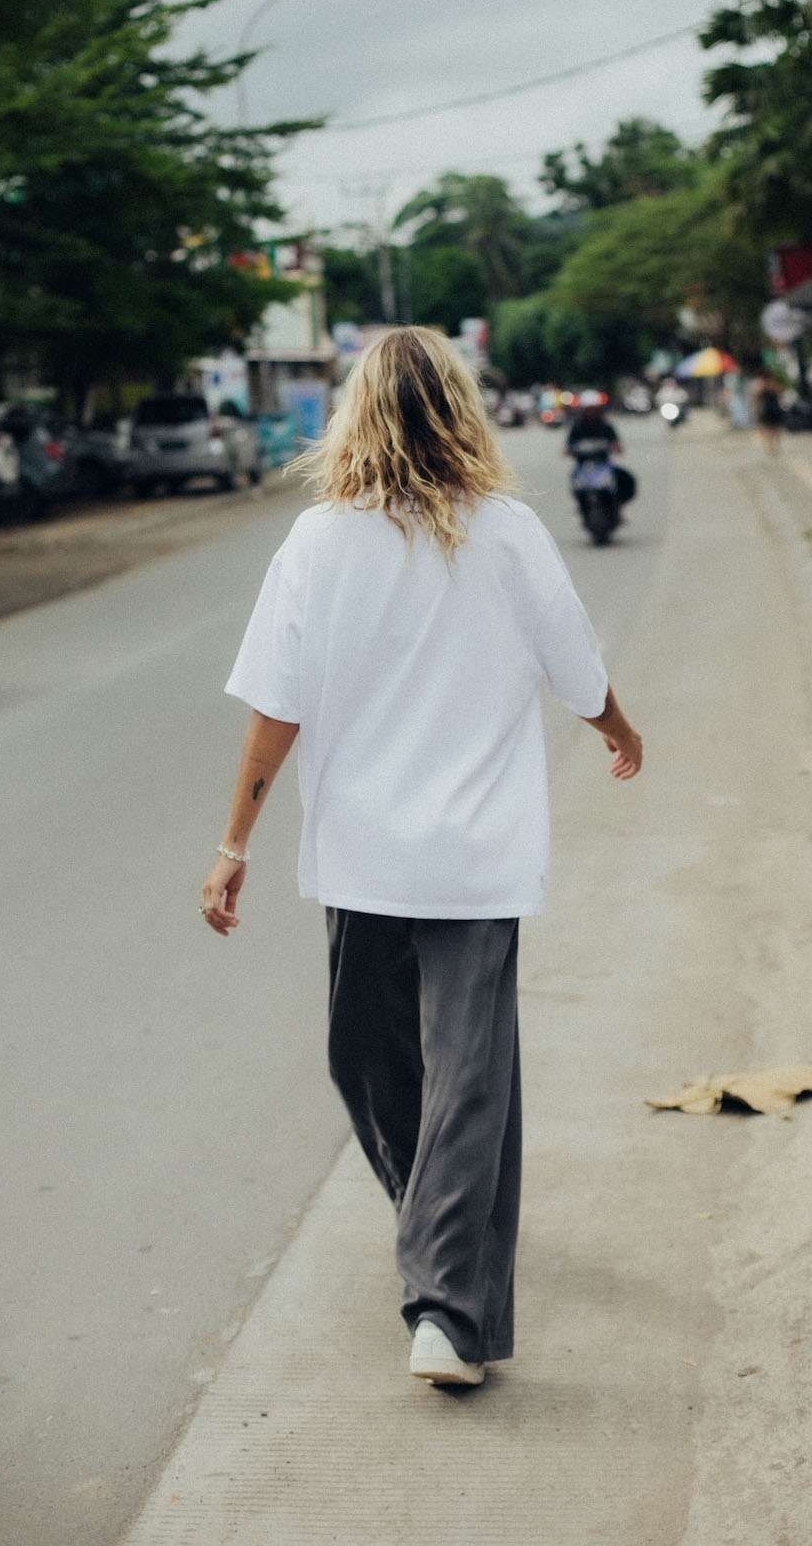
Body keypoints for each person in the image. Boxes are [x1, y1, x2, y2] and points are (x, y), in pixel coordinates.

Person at [201, 327, 642, 1390]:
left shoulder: (505, 532)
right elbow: (280, 705)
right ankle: (446, 1224)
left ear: (356, 411)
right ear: (459, 407)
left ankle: (446, 1303)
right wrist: (235, 840)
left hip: (462, 858)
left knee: (464, 1070)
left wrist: (613, 723)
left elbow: (574, 666)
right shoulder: (320, 541)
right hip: (375, 855)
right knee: (370, 1060)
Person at [756, 375, 785, 454]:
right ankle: (770, 445)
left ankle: (775, 444)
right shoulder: (760, 385)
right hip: (766, 408)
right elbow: (756, 396)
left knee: (775, 426)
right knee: (767, 427)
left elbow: (779, 394)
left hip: (773, 407)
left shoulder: (773, 385)